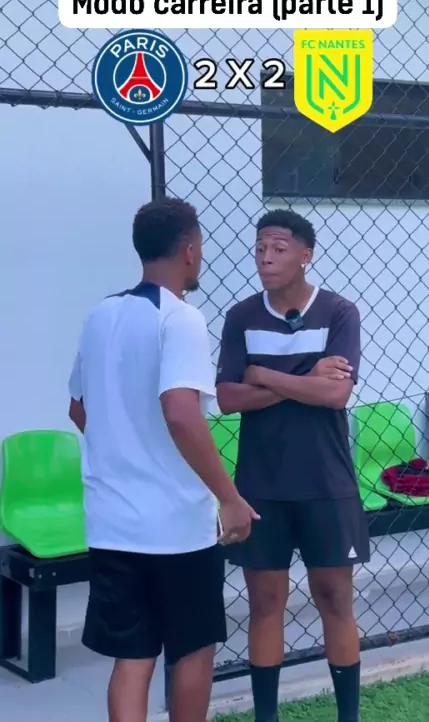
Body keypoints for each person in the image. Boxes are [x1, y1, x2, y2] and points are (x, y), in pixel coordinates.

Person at [68, 197, 258, 722]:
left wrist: (123, 448)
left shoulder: (100, 315)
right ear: (190, 250)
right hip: (176, 529)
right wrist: (229, 497)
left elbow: (78, 409)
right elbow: (180, 412)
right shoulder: (181, 318)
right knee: (193, 650)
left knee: (133, 658)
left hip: (111, 523)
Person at [216, 208, 370, 722]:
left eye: (279, 249)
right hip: (262, 485)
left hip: (326, 482)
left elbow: (335, 395)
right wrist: (305, 377)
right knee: (265, 605)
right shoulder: (241, 317)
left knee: (335, 600)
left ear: (306, 255)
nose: (266, 258)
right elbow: (228, 398)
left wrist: (263, 374)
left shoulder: (339, 312)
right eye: (260, 248)